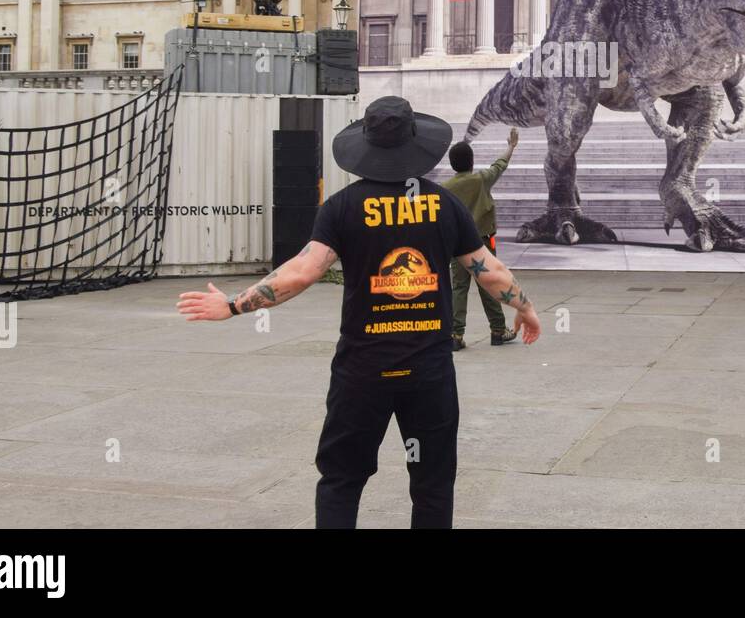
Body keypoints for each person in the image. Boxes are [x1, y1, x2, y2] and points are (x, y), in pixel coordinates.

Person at [176, 96, 541, 529]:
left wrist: (235, 305)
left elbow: (302, 272)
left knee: (342, 479)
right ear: (415, 144)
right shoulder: (444, 205)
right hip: (428, 373)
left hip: (363, 371)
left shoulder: (343, 206)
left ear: (365, 146)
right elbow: (490, 271)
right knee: (433, 483)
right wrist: (527, 308)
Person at [443, 127, 519, 350]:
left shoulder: (446, 189)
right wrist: (511, 146)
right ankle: (498, 330)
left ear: (452, 163)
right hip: (482, 243)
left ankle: (456, 335)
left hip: (457, 246)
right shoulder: (481, 180)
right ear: (471, 162)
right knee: (489, 286)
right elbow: (500, 165)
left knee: (458, 288)